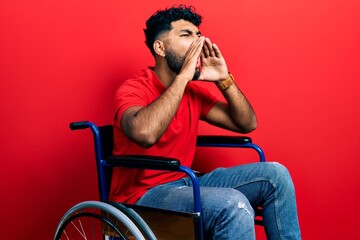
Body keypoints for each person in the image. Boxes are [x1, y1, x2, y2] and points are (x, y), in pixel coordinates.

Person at [110, 5, 301, 240]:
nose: (198, 42)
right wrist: (183, 77)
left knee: (276, 176)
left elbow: (247, 123)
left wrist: (224, 79)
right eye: (186, 35)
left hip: (187, 182)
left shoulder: (194, 93)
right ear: (160, 47)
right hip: (144, 196)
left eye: (198, 35)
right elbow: (145, 133)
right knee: (233, 204)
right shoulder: (134, 88)